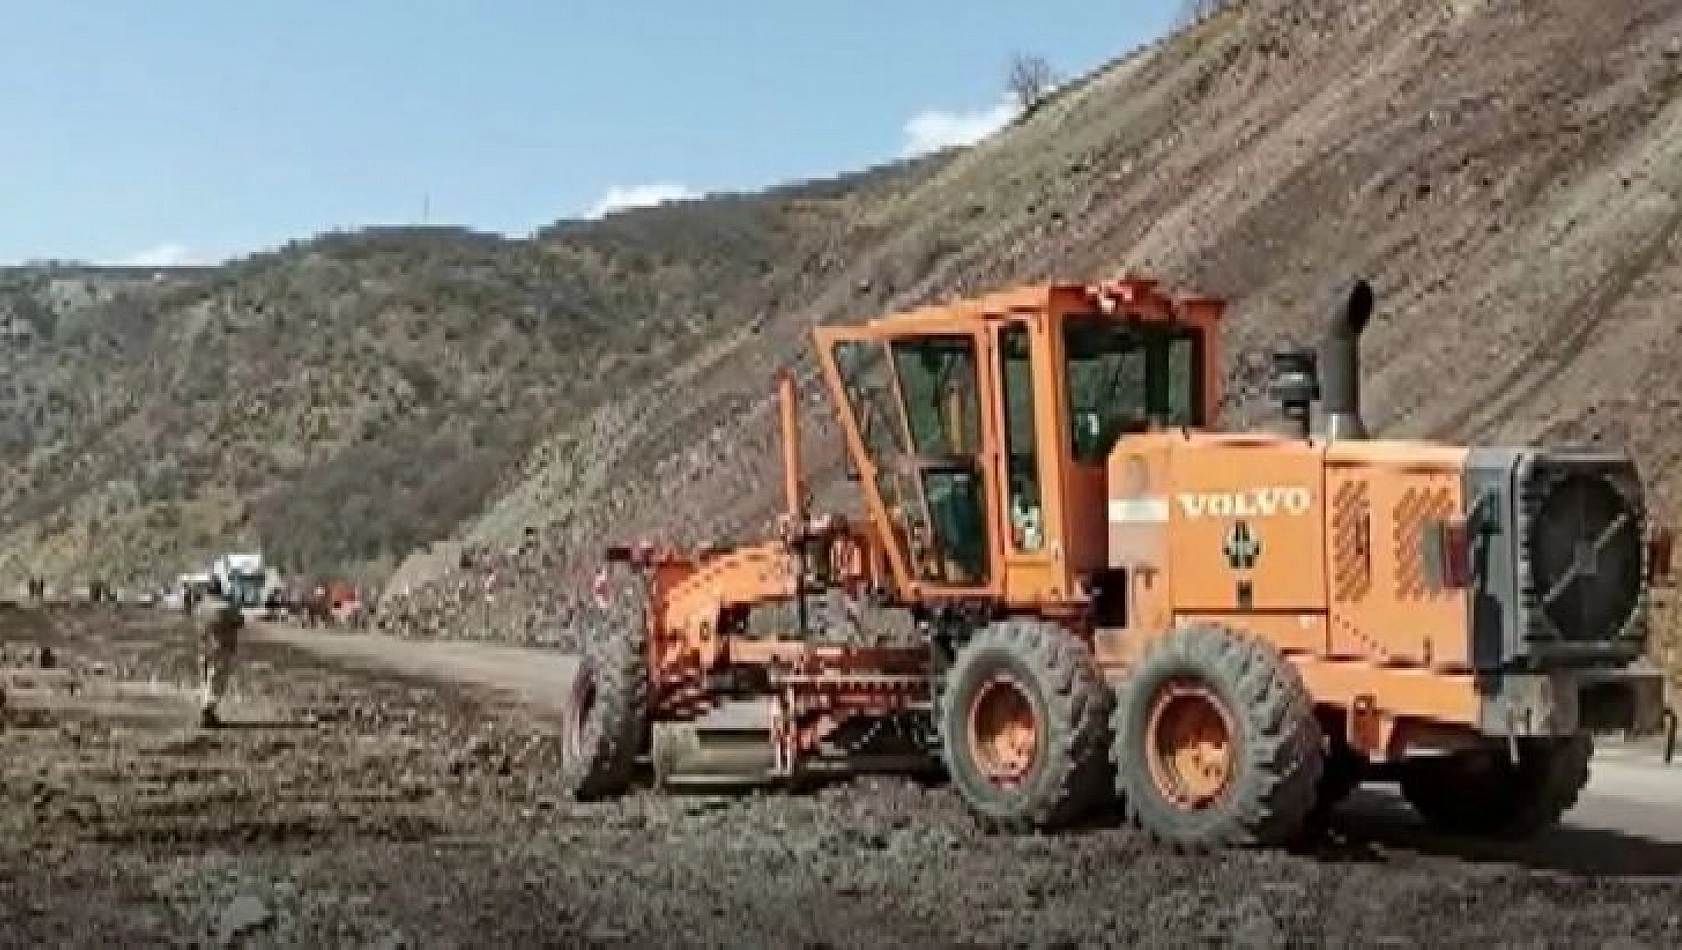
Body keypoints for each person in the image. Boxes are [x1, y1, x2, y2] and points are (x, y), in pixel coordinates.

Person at [196, 587, 245, 728]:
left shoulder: (200, 606)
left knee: (206, 680)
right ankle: (207, 711)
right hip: (221, 647)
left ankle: (207, 711)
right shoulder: (225, 606)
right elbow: (240, 621)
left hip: (204, 647)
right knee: (217, 680)